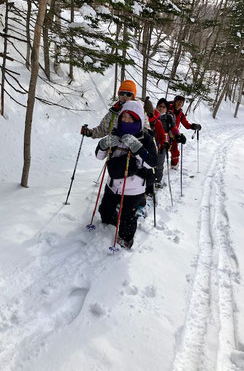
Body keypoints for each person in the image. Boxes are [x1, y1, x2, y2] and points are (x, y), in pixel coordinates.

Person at [95, 100, 157, 249]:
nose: (126, 121)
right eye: (124, 117)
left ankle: (126, 239)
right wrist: (103, 144)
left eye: (131, 118)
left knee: (127, 220)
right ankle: (114, 217)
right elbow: (99, 156)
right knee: (105, 213)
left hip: (134, 189)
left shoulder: (146, 138)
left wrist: (137, 148)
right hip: (113, 185)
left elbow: (151, 162)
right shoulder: (115, 133)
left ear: (139, 120)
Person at [81, 80, 150, 138]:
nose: (124, 96)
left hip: (133, 150)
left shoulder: (139, 111)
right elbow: (103, 129)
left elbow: (146, 132)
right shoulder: (114, 111)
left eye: (128, 94)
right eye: (122, 93)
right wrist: (90, 132)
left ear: (133, 96)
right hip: (114, 149)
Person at [168, 95, 201, 168]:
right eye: (178, 101)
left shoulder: (180, 113)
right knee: (161, 151)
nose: (180, 104)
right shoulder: (168, 108)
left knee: (175, 151)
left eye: (182, 102)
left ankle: (174, 165)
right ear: (175, 101)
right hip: (165, 133)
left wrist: (193, 126)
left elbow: (185, 124)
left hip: (174, 134)